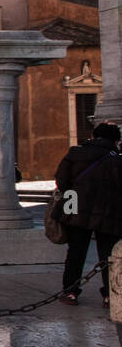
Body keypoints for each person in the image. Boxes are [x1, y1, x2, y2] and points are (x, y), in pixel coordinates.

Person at [54, 120, 122, 306]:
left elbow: (62, 180)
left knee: (76, 251)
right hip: (108, 213)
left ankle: (70, 292)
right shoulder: (116, 158)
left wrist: (74, 201)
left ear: (93, 136)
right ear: (116, 140)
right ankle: (110, 295)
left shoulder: (75, 153)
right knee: (108, 254)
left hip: (77, 211)